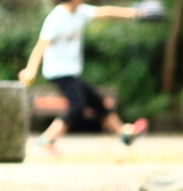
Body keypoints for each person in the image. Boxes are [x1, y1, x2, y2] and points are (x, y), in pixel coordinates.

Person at [18, 0, 150, 152]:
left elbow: (106, 12)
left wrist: (135, 13)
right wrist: (30, 69)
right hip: (58, 71)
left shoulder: (81, 11)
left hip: (72, 72)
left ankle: (124, 134)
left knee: (97, 102)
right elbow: (40, 46)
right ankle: (45, 139)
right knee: (78, 105)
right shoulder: (56, 18)